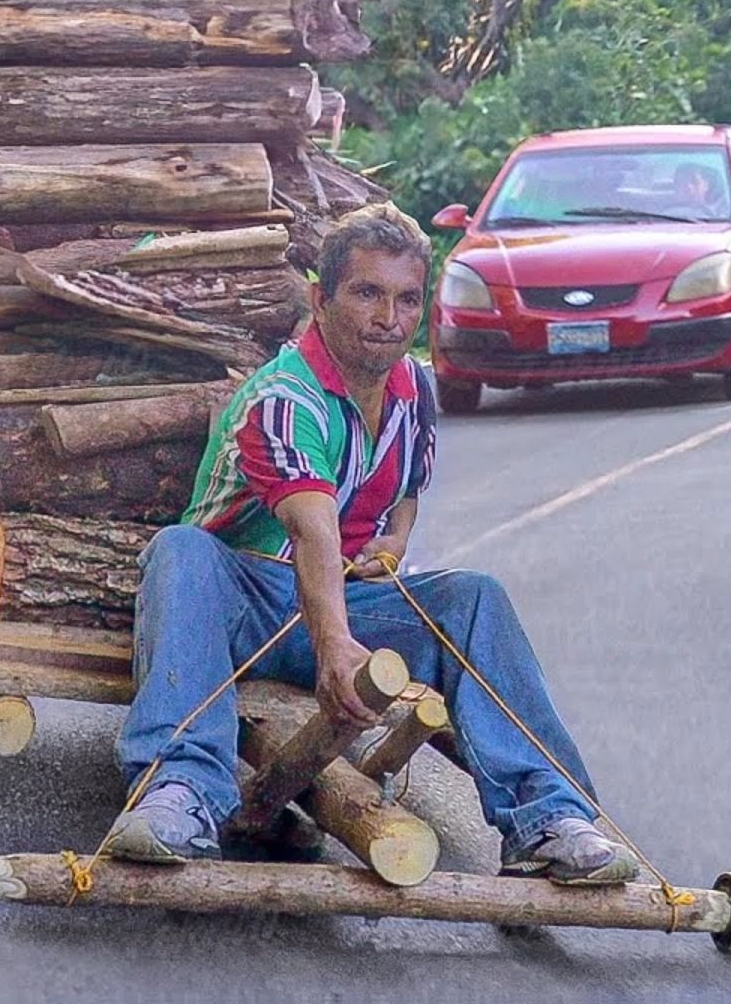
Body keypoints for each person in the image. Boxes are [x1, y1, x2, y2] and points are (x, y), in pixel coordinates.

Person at [103, 204, 639, 886]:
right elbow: (311, 529)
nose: (389, 316)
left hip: (347, 598)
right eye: (366, 293)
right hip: (244, 602)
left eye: (406, 298)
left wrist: (395, 541)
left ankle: (550, 819)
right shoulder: (283, 398)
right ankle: (179, 793)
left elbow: (407, 489)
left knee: (474, 596)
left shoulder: (413, 388)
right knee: (180, 550)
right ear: (321, 300)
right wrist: (334, 649)